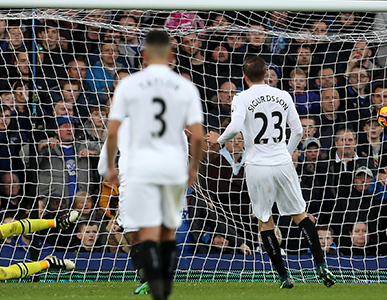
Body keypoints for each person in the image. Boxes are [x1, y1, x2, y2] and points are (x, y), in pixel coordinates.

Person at [208, 56, 335, 289]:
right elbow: (297, 131)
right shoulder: (283, 95)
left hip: (257, 166)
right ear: (266, 74)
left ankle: (284, 276)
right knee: (301, 215)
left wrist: (220, 140)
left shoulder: (242, 97)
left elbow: (235, 127)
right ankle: (320, 264)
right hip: (283, 163)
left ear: (245, 77)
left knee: (265, 221)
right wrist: (285, 154)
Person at [105, 30, 204, 300]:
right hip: (171, 166)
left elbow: (113, 132)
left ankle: (149, 279)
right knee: (167, 231)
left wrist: (111, 167)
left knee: (140, 229)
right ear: (171, 56)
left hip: (139, 166)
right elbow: (196, 135)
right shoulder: (184, 86)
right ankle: (162, 282)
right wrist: (193, 167)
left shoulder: (128, 85)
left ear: (144, 56)